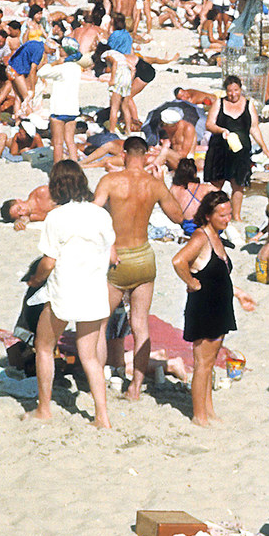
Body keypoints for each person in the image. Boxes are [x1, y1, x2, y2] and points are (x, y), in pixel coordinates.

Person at [93, 136, 184, 400]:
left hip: (118, 257)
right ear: (145, 156)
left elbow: (94, 215)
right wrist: (163, 185)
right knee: (140, 324)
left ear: (124, 154)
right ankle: (135, 388)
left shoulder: (110, 181)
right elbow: (177, 216)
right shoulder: (153, 184)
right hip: (144, 257)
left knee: (99, 323)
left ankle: (97, 379)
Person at [28, 160, 116, 428]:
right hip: (94, 289)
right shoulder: (100, 214)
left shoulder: (56, 217)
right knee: (89, 357)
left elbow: (48, 262)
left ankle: (44, 408)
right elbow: (110, 252)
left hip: (64, 291)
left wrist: (34, 281)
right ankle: (102, 416)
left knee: (43, 347)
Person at [171, 191, 253, 427]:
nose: (228, 219)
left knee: (210, 363)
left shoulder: (216, 236)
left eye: (229, 214)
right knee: (202, 364)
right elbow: (178, 261)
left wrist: (238, 293)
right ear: (208, 215)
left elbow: (218, 276)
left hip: (219, 306)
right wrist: (192, 282)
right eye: (223, 215)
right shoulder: (200, 237)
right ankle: (199, 416)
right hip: (204, 306)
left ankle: (208, 410)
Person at [203, 75, 266, 224]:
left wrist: (264, 147)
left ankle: (236, 216)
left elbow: (254, 128)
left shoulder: (248, 104)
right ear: (226, 91)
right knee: (216, 184)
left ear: (240, 89)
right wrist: (221, 130)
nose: (233, 94)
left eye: (236, 90)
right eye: (230, 91)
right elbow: (209, 124)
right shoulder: (219, 103)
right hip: (220, 149)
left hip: (241, 151)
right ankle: (213, 214)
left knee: (238, 184)